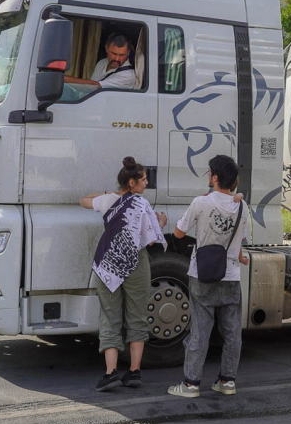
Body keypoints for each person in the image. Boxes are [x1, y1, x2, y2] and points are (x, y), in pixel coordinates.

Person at [80, 157, 168, 392]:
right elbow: (150, 240)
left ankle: (110, 373)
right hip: (136, 264)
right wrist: (160, 222)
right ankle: (134, 372)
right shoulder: (141, 204)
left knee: (110, 317)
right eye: (143, 179)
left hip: (108, 263)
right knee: (137, 316)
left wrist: (109, 193)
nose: (146, 183)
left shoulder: (108, 200)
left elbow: (83, 201)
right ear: (132, 182)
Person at [168, 155, 249, 398]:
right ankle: (227, 381)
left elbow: (179, 233)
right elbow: (239, 240)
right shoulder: (243, 206)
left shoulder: (201, 203)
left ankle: (191, 384)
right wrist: (240, 256)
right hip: (231, 275)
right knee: (232, 332)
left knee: (200, 332)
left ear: (214, 177)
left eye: (208, 172)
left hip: (202, 275)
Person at [65, 33, 137, 90]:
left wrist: (65, 79)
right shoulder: (102, 62)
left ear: (128, 53)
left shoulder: (128, 76)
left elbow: (95, 87)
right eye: (114, 54)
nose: (117, 59)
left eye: (122, 55)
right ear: (106, 48)